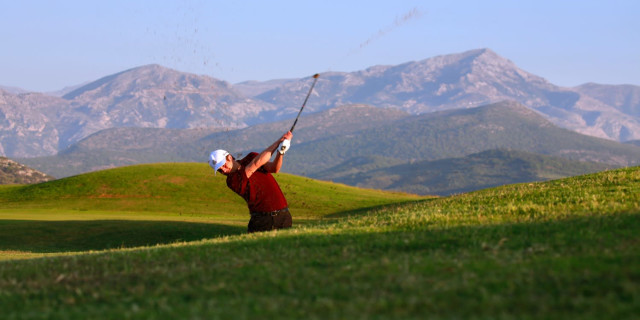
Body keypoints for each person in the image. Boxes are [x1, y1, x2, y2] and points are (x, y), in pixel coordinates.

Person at [208, 131, 293, 233]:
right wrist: (279, 141)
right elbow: (255, 164)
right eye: (220, 170)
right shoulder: (232, 181)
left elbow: (274, 168)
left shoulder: (251, 157)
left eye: (224, 165)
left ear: (229, 157)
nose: (224, 170)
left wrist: (281, 152)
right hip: (262, 220)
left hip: (283, 215)